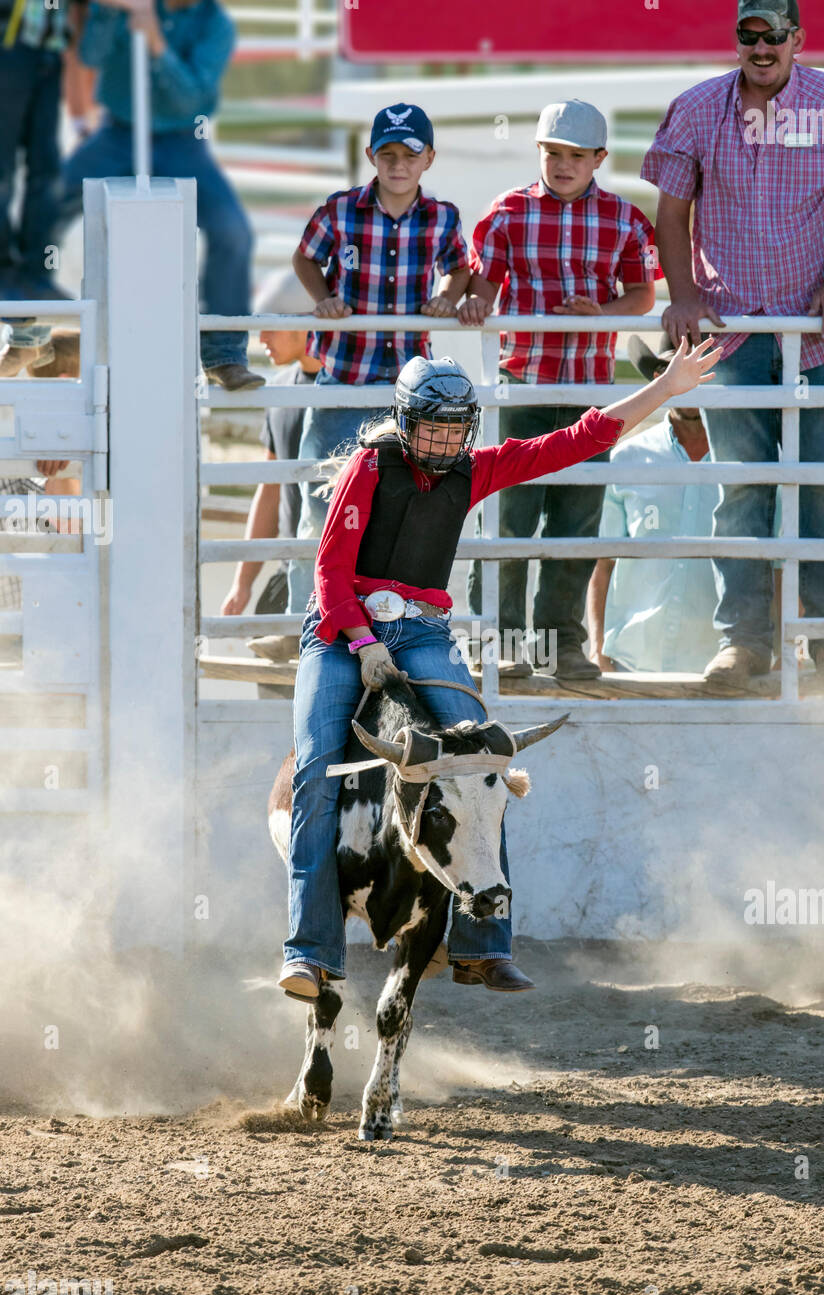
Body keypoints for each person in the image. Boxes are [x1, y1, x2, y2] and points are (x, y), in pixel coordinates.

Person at [279, 339, 721, 1002]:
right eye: (432, 429)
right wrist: (364, 643)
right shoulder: (369, 469)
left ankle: (483, 946)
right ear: (405, 423)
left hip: (422, 632)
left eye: (455, 431)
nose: (443, 443)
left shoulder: (473, 470)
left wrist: (663, 389)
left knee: (484, 758)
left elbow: (576, 438)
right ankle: (308, 953)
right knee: (316, 772)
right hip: (341, 634)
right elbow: (329, 571)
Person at [642, 0, 824, 691]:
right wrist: (683, 291)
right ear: (736, 41)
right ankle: (743, 643)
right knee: (742, 490)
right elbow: (671, 206)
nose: (758, 47)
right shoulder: (697, 108)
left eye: (770, 35)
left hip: (817, 330)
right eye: (746, 35)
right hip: (732, 327)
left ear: (796, 40)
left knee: (819, 490)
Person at [461, 99, 660, 679]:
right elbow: (482, 288)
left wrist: (601, 313)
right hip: (521, 385)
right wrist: (473, 301)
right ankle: (498, 643)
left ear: (599, 158)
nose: (564, 165)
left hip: (587, 393)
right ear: (539, 152)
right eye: (554, 153)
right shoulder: (507, 212)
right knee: (507, 520)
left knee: (575, 523)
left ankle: (562, 646)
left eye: (577, 155)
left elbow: (642, 296)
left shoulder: (624, 219)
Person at [288, 102, 471, 624]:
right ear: (371, 155)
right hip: (344, 375)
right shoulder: (341, 209)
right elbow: (305, 256)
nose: (397, 165)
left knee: (396, 507)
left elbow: (459, 269)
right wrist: (324, 298)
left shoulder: (442, 217)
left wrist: (445, 297)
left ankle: (384, 619)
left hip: (407, 394)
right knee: (321, 502)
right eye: (387, 154)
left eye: (409, 154)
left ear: (429, 158)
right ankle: (306, 617)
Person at [49, 0, 264, 390]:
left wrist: (155, 42)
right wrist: (108, 11)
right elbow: (89, 55)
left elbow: (191, 100)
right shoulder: (123, 6)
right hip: (117, 134)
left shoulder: (214, 24)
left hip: (183, 143)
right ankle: (24, 331)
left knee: (233, 232)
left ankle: (224, 356)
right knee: (44, 207)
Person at [587, 334, 718, 675]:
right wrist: (598, 649)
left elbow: (778, 566)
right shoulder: (627, 458)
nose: (686, 381)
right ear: (660, 379)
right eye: (674, 370)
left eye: (698, 370)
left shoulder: (747, 463)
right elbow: (603, 563)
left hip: (717, 662)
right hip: (631, 659)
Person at [219, 269, 321, 689]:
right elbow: (269, 490)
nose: (260, 339)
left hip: (347, 577)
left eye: (270, 327)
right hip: (289, 572)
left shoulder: (359, 389)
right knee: (274, 692)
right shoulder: (278, 391)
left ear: (304, 323)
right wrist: (243, 582)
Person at [0, 0, 80, 376]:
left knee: (45, 168)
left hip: (47, 51)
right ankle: (7, 273)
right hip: (10, 46)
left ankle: (35, 272)